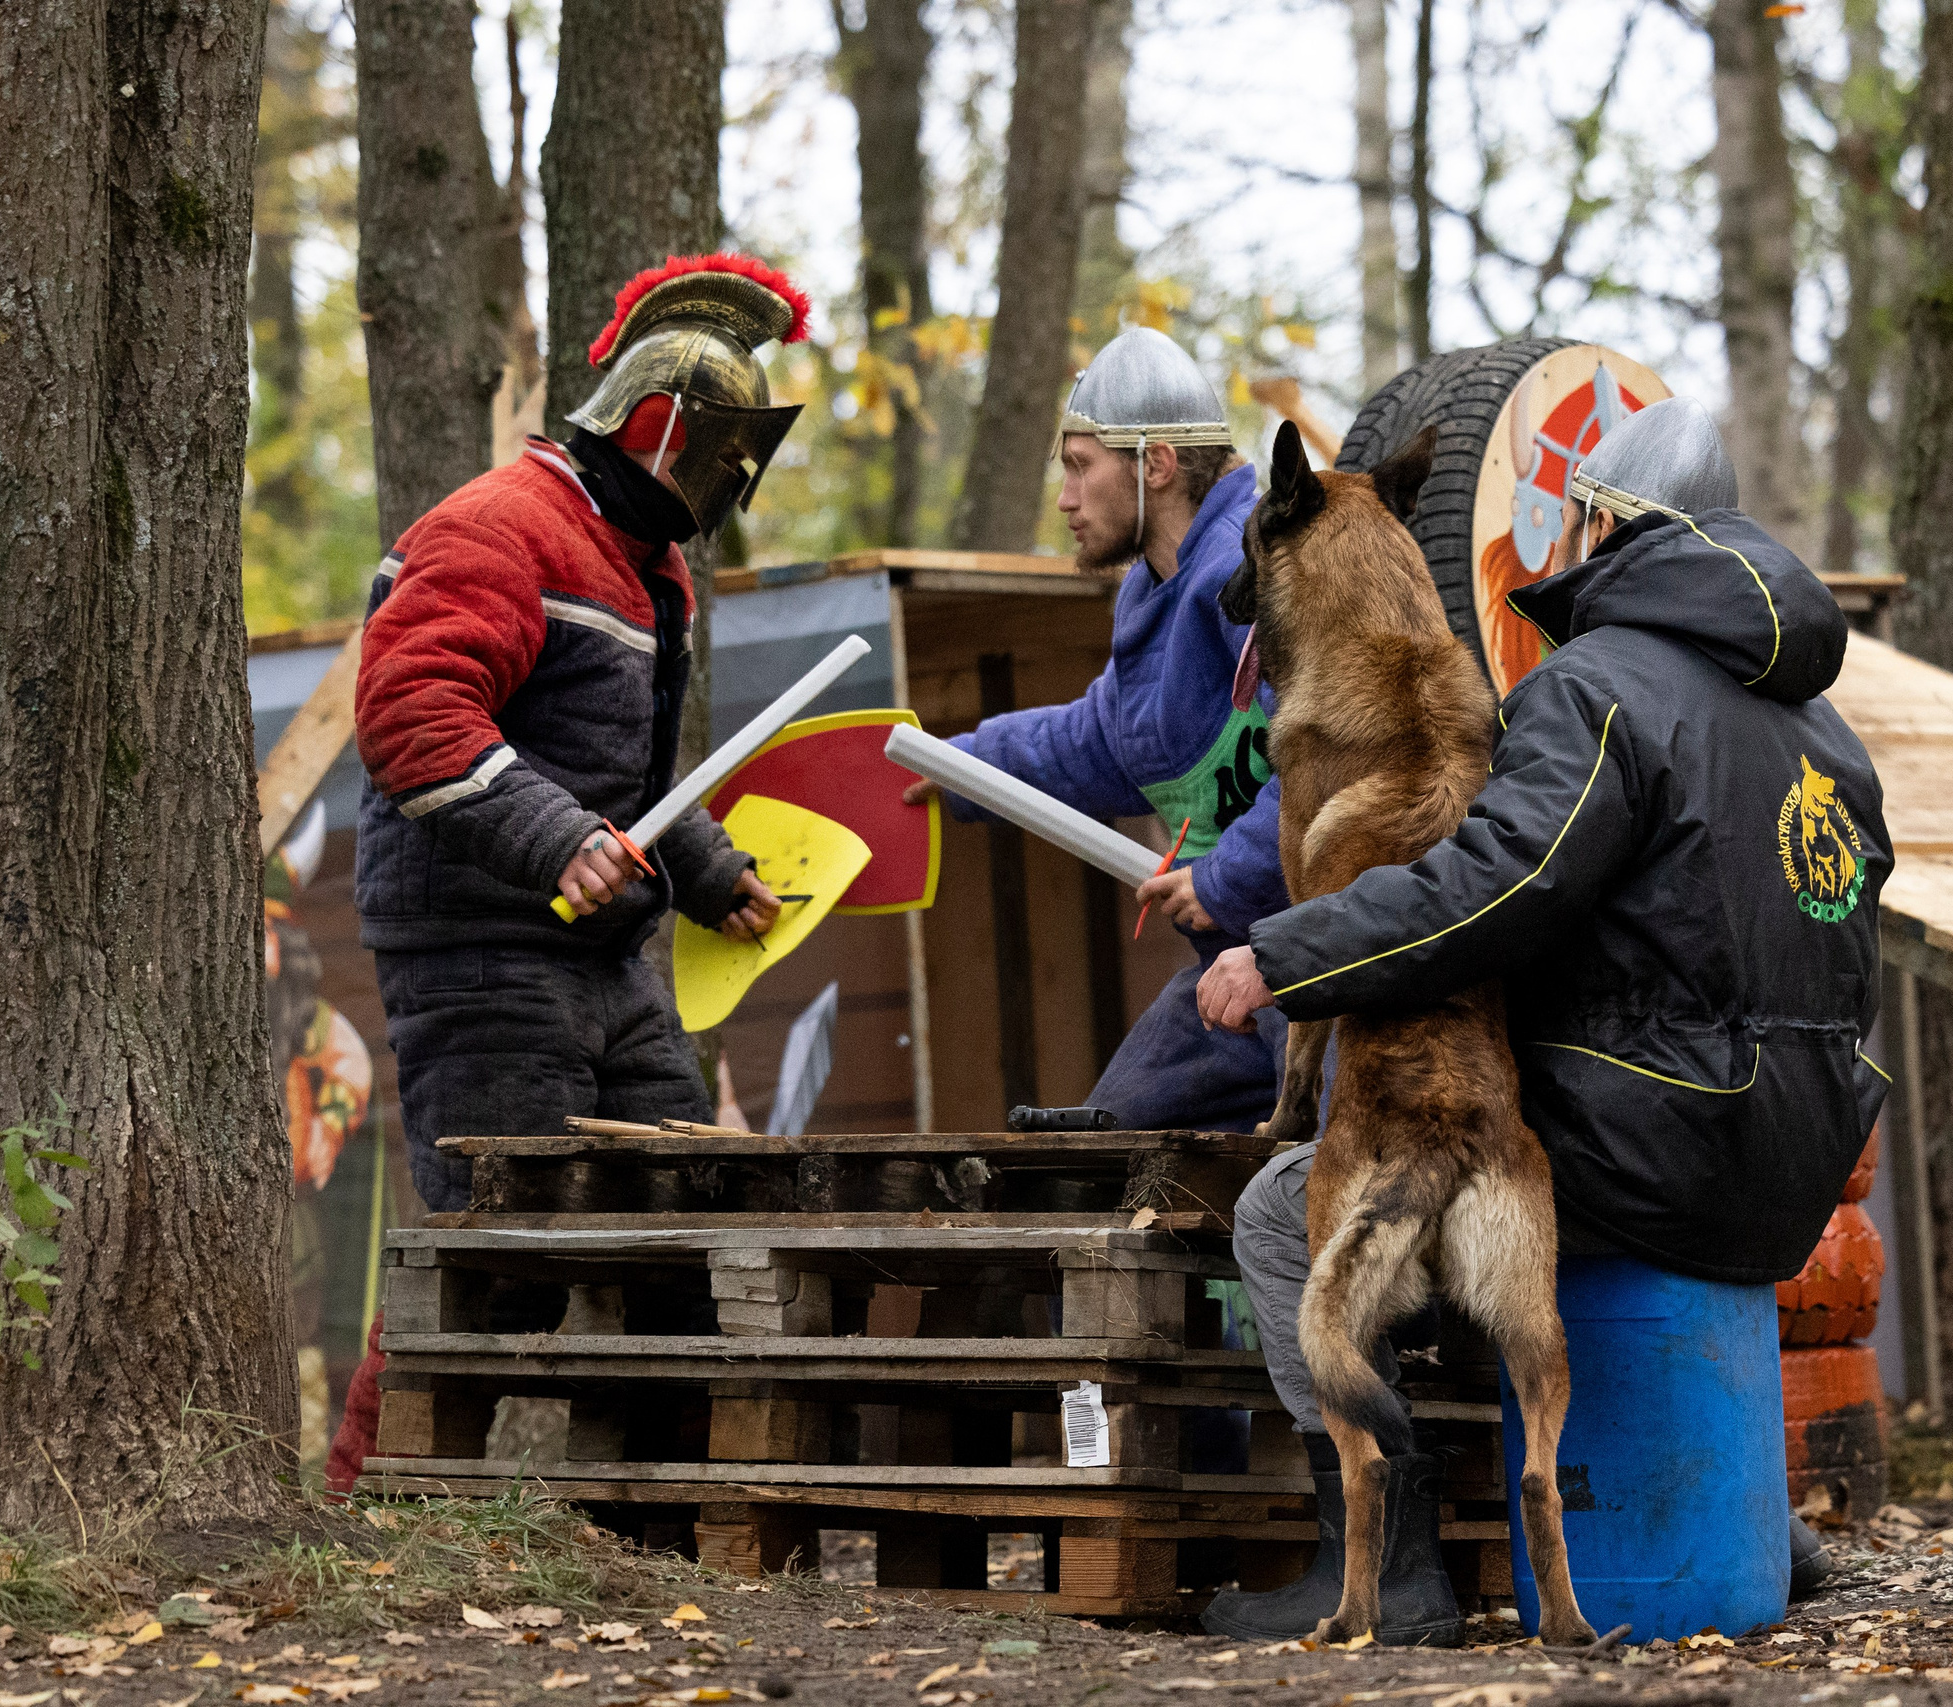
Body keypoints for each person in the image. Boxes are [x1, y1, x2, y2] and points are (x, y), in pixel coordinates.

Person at [1193, 398, 1892, 1638]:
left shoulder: (1601, 690)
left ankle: (1393, 1568)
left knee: (1295, 1213)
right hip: (1793, 1157)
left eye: (1570, 521)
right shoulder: (1827, 740)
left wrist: (1288, 956)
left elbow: (1495, 886)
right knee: (1493, 1214)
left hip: (1652, 1136)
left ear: (1604, 524)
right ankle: (1750, 1520)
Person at [325, 253, 812, 1492]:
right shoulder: (495, 528)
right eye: (722, 453)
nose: (732, 485)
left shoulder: (648, 566)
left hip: (604, 952)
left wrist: (703, 868)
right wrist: (559, 842)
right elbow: (412, 716)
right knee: (482, 1252)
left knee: (679, 1215)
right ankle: (368, 1511)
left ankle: (651, 1518)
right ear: (660, 432)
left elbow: (620, 769)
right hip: (480, 952)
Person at [907, 326, 1293, 1132]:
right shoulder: (1152, 592)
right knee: (1107, 1149)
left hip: (1325, 970)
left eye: (1082, 466)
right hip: (1224, 976)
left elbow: (1331, 763)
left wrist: (1222, 880)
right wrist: (958, 767)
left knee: (1320, 1187)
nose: (1065, 498)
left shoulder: (1252, 570)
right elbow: (1096, 743)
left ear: (1153, 464)